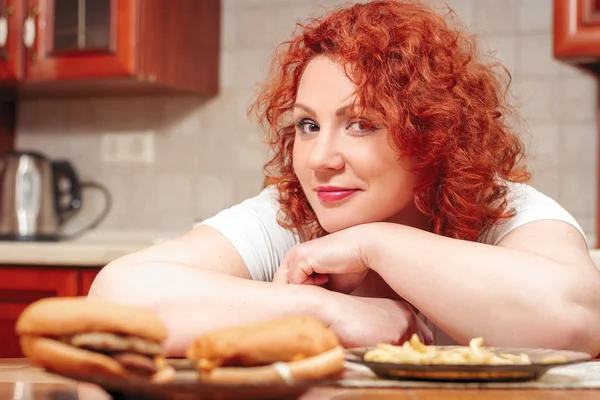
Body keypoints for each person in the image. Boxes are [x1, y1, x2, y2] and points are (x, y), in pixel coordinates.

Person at [89, 0, 600, 357]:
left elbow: (577, 318)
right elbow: (113, 301)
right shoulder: (290, 218)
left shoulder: (505, 211)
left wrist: (376, 244)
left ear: (435, 134)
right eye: (309, 125)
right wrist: (324, 312)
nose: (320, 159)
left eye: (361, 124)